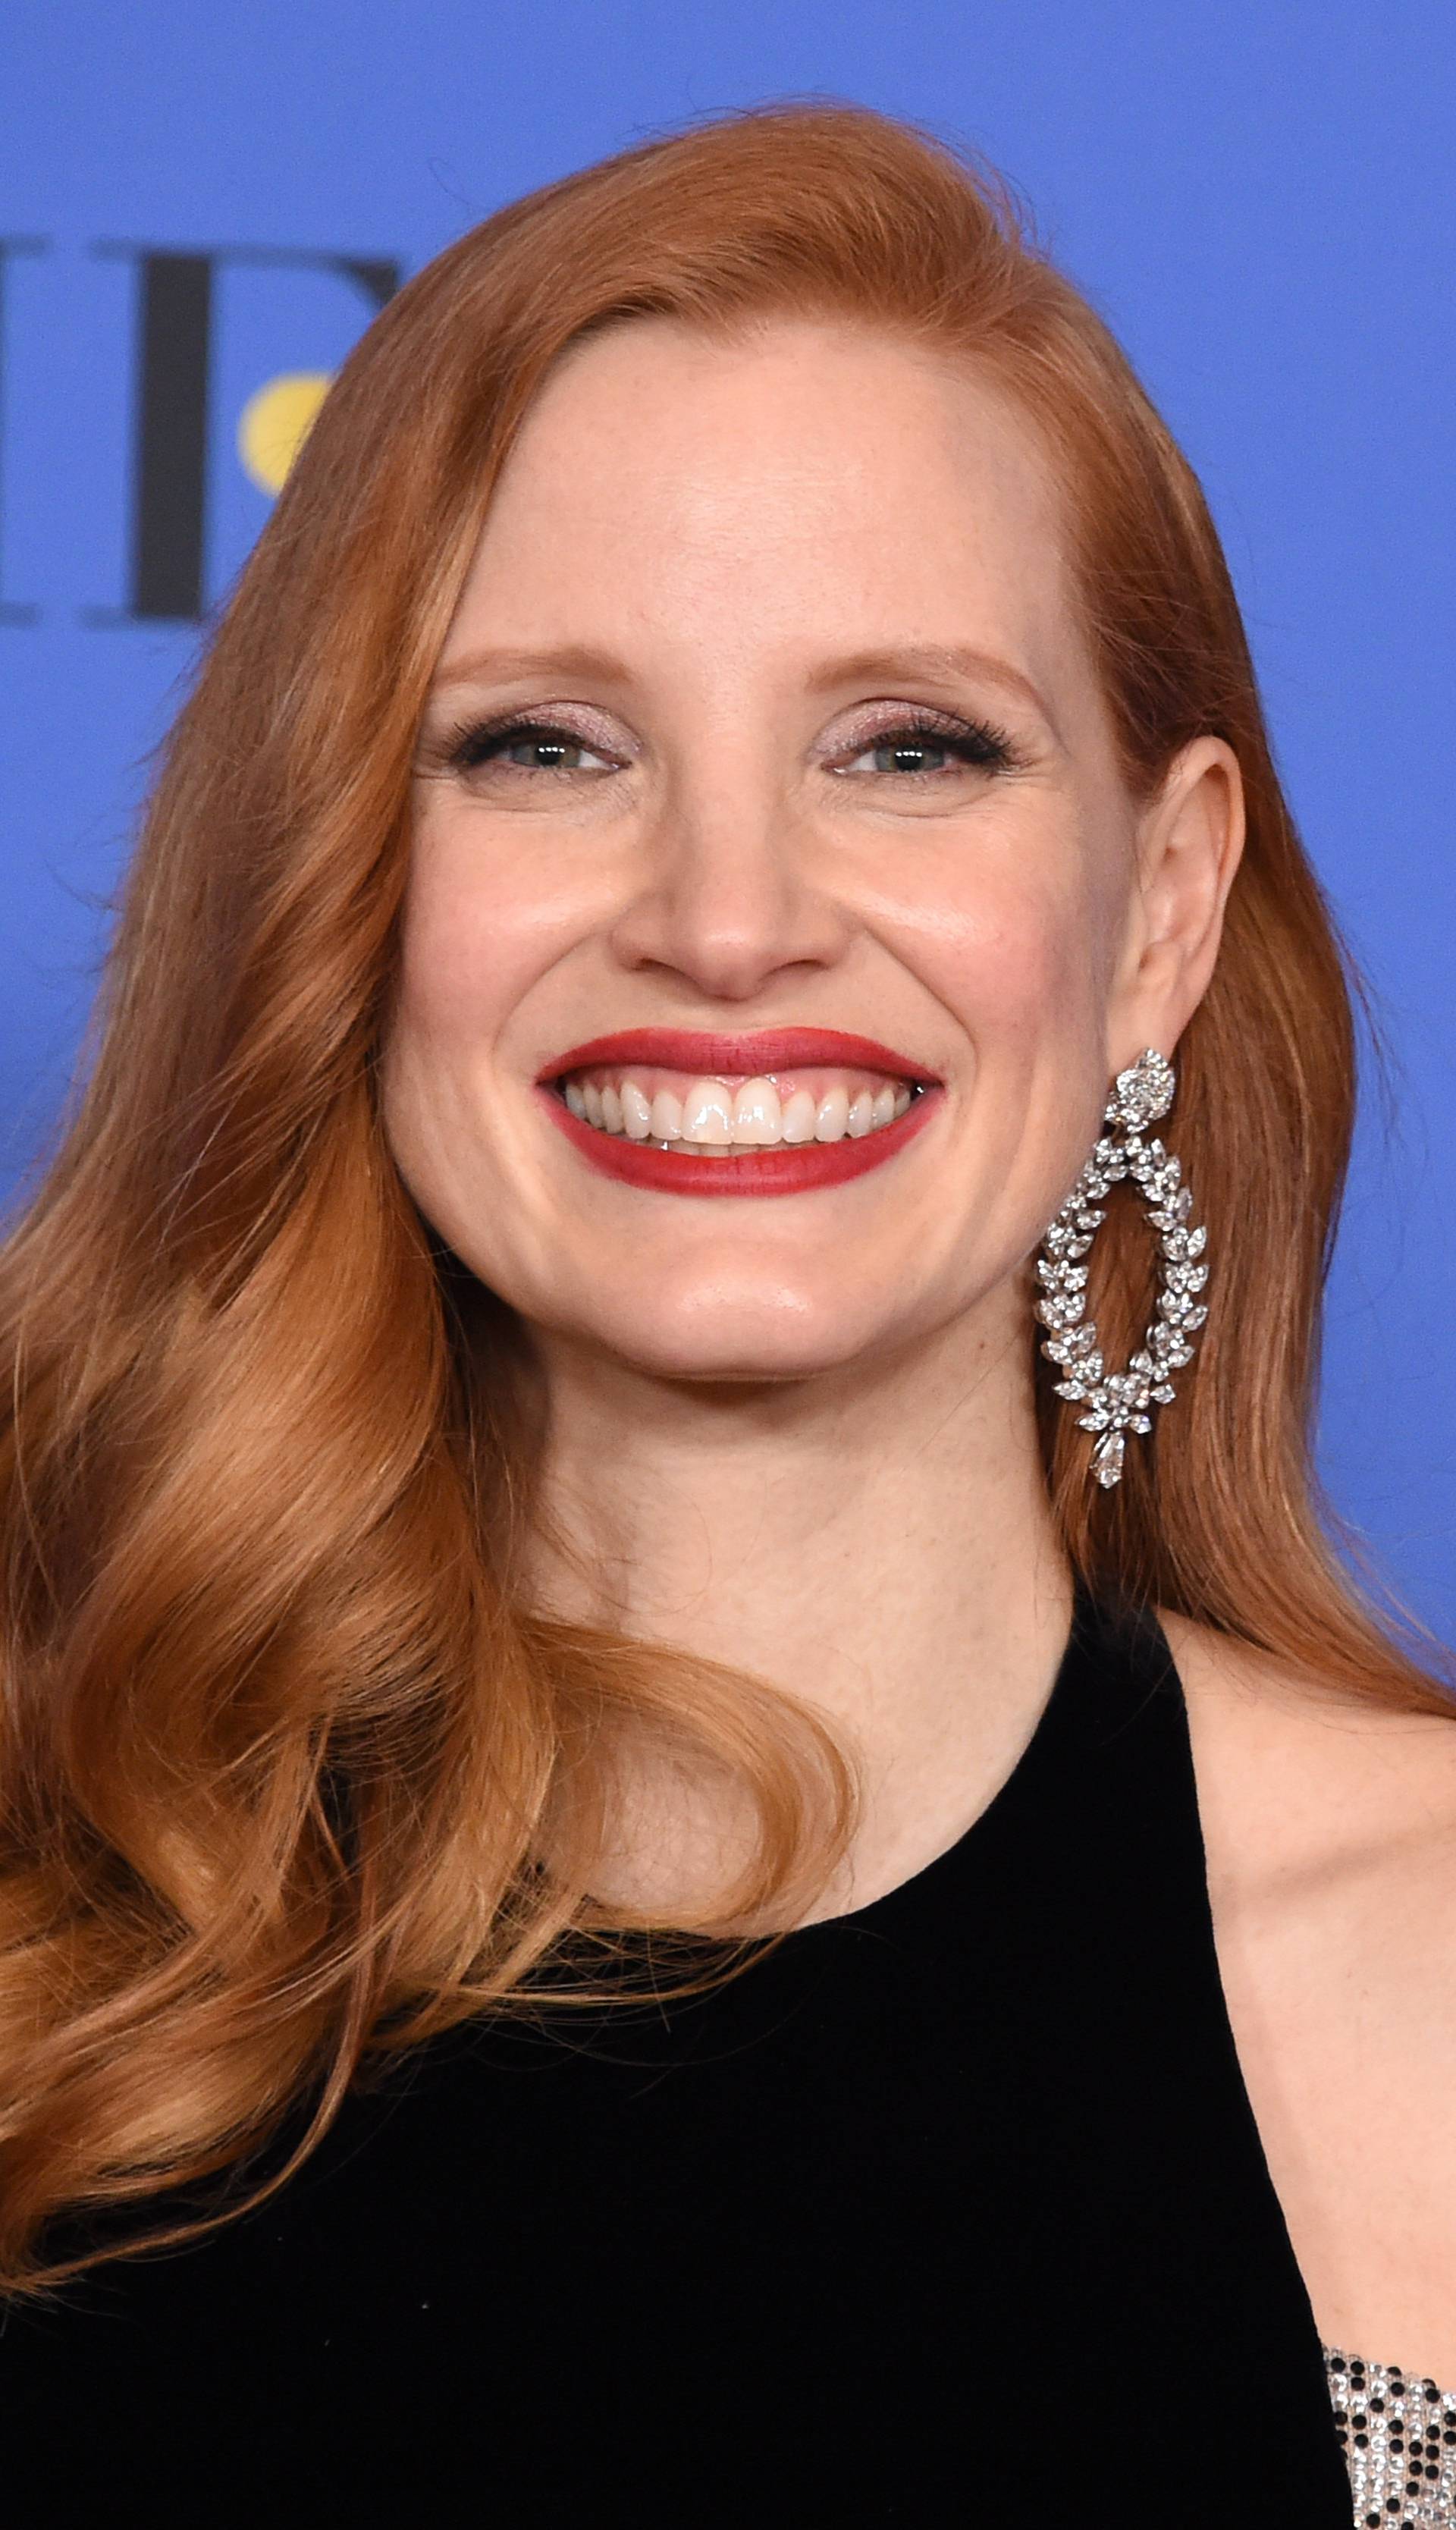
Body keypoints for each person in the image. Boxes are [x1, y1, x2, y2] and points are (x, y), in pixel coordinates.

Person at [0, 99, 1450, 2527]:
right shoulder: (58, 1938)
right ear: (340, 885)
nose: (730, 912)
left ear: (1163, 913)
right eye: (543, 746)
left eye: (912, 747)